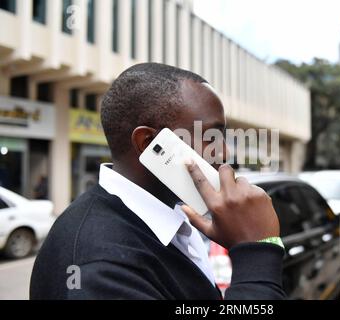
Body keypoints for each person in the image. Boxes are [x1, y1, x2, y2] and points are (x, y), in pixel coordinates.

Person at [30, 63, 285, 300]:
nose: (225, 154)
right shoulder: (99, 269)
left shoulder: (174, 218)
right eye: (211, 136)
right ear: (148, 144)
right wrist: (256, 251)